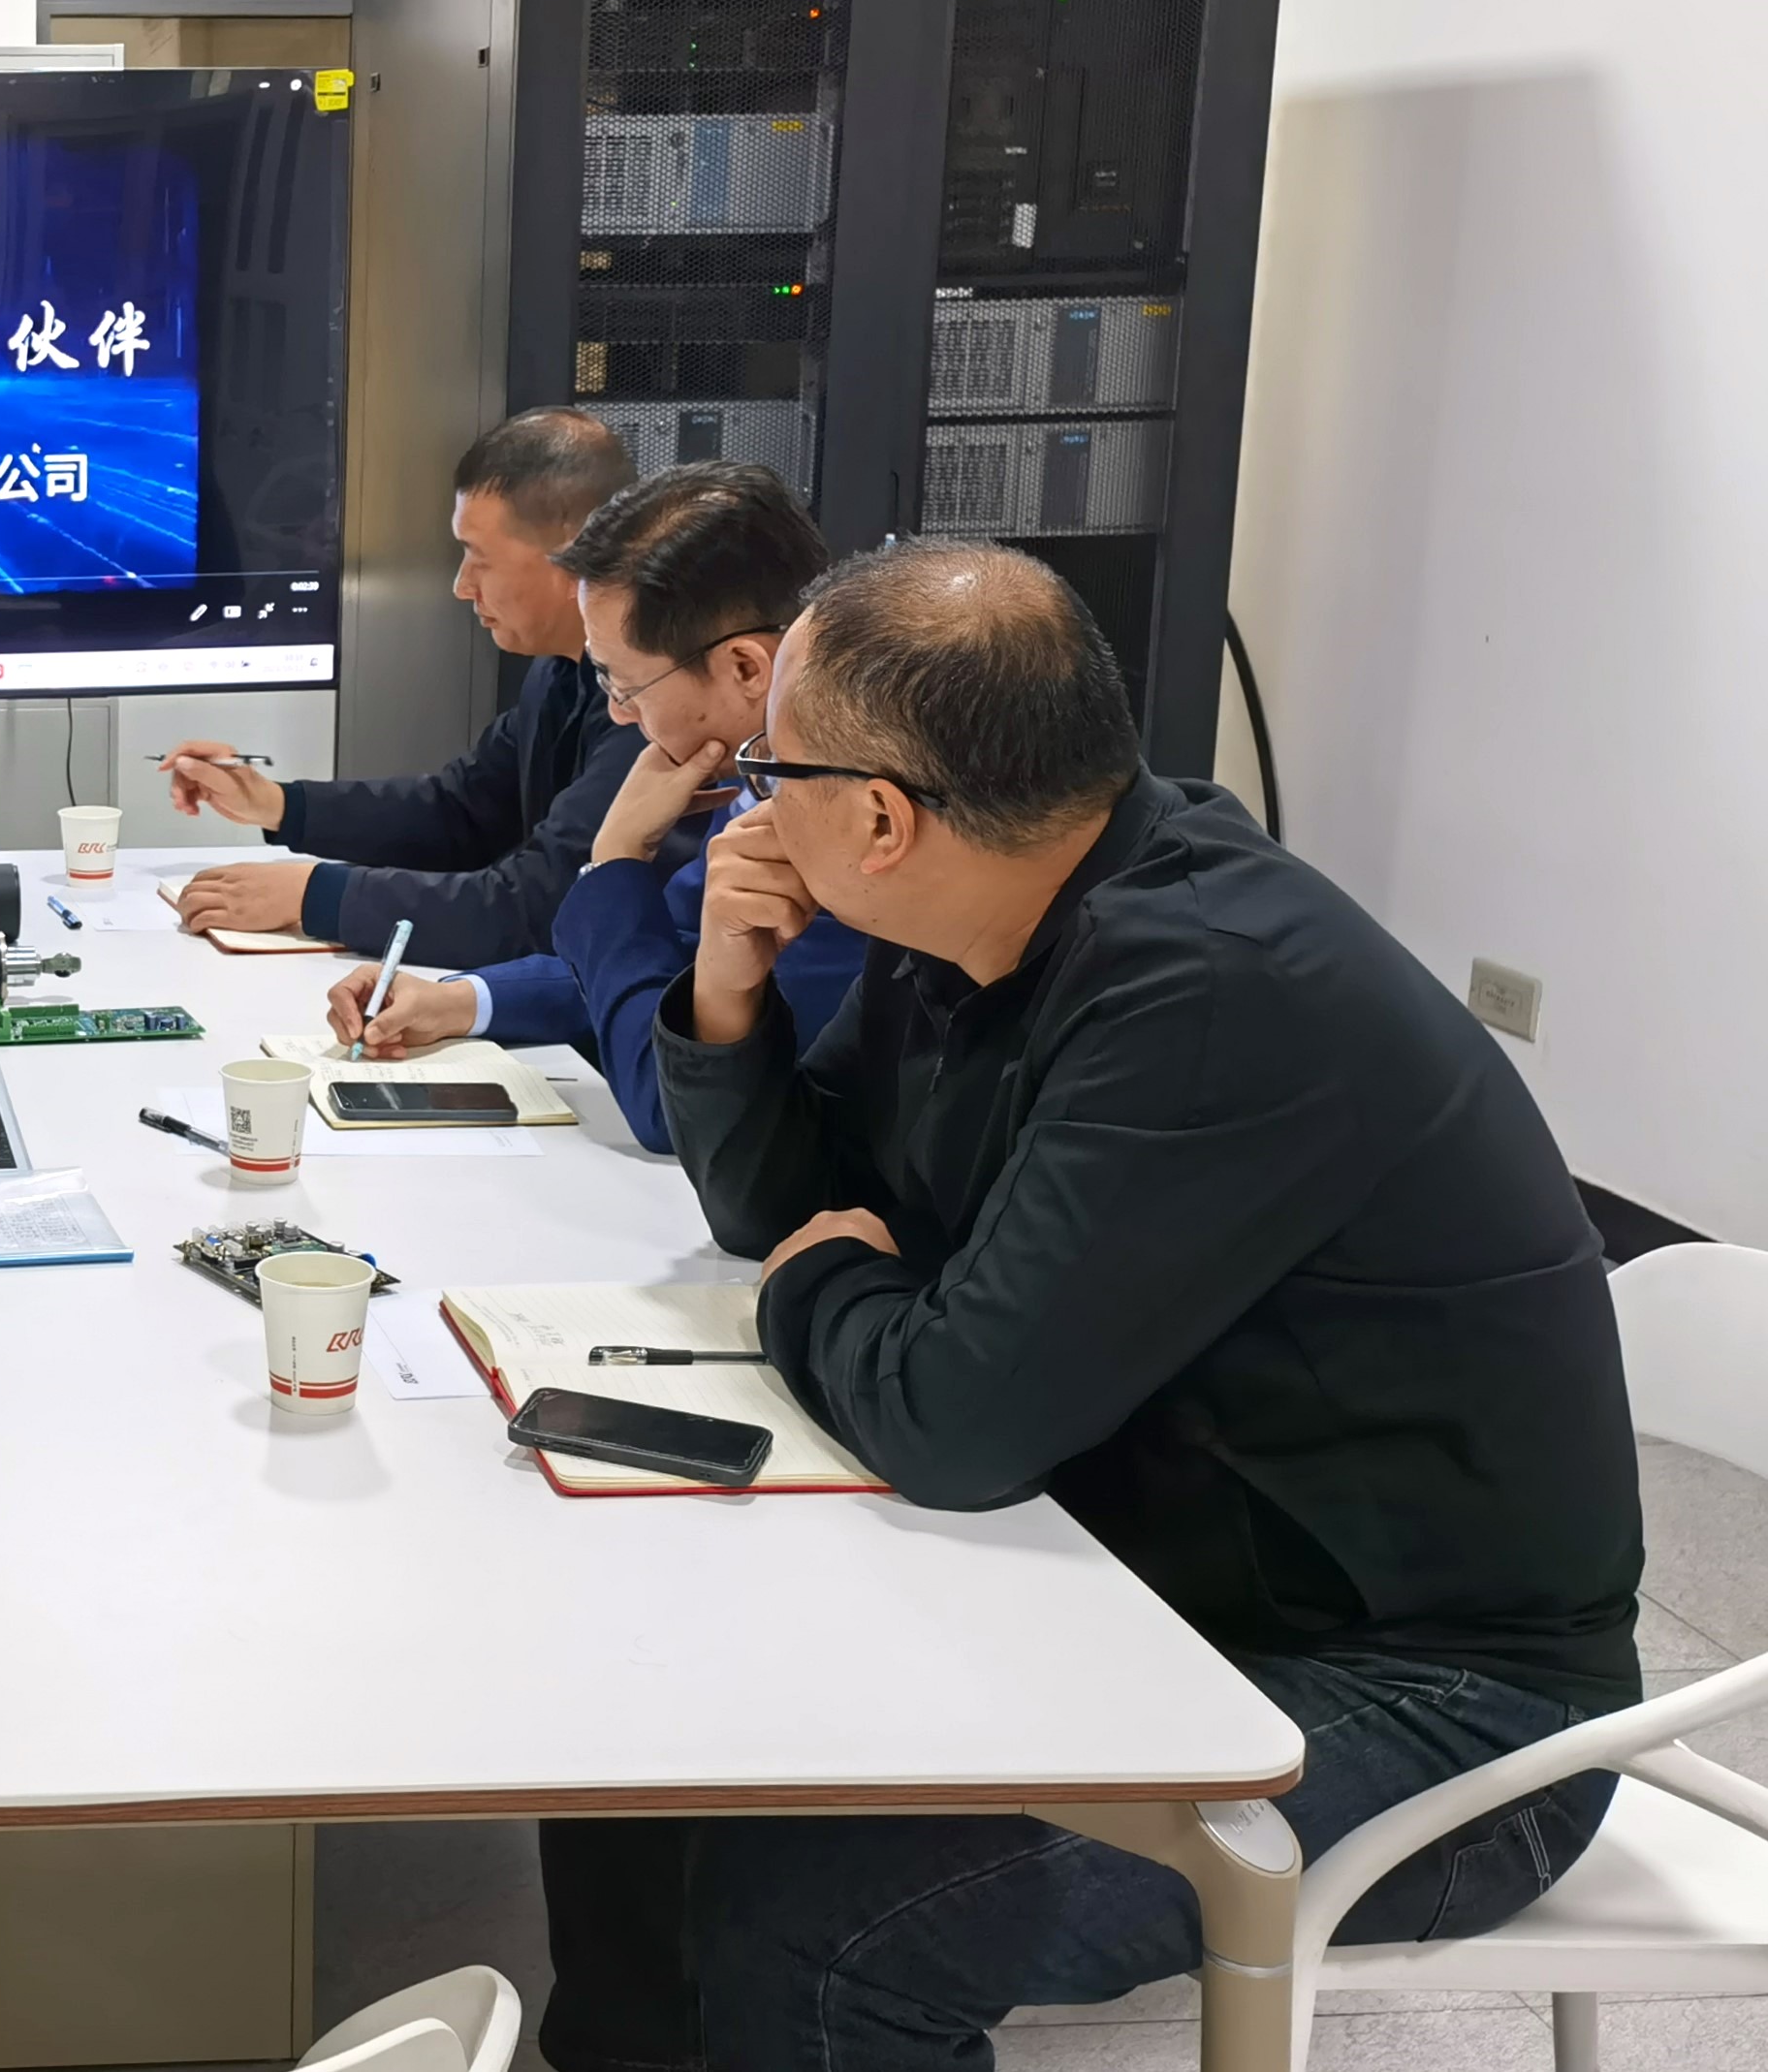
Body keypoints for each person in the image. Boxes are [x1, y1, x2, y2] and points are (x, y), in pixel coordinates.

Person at [537, 543, 1644, 2072]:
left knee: (822, 1923)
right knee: (645, 1730)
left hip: (1437, 1708)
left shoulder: (1210, 989)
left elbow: (950, 1418)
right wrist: (726, 989)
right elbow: (782, 1206)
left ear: (878, 818)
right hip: (1156, 1568)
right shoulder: (984, 909)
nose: (746, 808)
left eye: (766, 775)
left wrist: (822, 1282)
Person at [320, 463, 864, 1150]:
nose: (618, 713)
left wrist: (616, 860)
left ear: (746, 669)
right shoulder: (762, 773)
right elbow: (671, 968)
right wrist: (462, 1000)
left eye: (625, 684)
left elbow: (677, 1101)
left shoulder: (843, 820)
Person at [158, 407, 633, 963]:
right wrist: (279, 804)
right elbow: (462, 812)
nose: (462, 586)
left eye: (479, 558)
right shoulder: (562, 670)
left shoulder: (649, 705)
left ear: (572, 557)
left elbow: (537, 907)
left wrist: (314, 896)